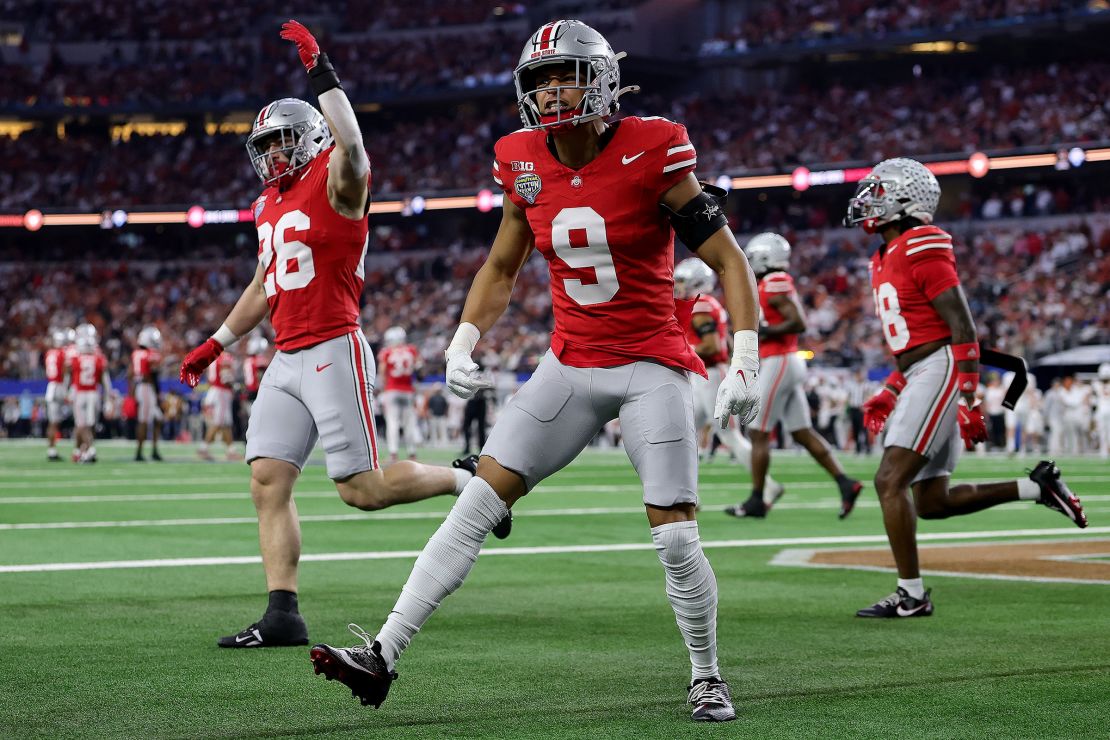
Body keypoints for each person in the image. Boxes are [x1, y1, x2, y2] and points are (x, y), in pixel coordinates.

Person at [309, 20, 761, 722]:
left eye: (567, 75)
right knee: (476, 504)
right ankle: (383, 654)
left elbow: (729, 260)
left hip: (651, 365)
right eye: (541, 79)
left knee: (674, 534)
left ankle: (706, 674)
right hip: (569, 364)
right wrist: (463, 339)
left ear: (605, 80)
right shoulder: (518, 157)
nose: (552, 92)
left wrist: (745, 355)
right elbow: (501, 264)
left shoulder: (656, 146)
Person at [178, 20, 510, 649]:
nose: (273, 155)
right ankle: (283, 613)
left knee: (361, 489)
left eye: (282, 143)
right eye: (265, 146)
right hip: (285, 354)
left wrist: (320, 69)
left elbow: (353, 144)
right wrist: (216, 342)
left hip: (333, 346)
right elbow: (263, 284)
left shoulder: (338, 179)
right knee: (267, 480)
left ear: (309, 140)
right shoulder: (266, 204)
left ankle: (469, 480)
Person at [845, 157, 1087, 618]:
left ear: (904, 200)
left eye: (878, 191)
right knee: (932, 502)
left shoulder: (920, 243)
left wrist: (971, 395)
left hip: (940, 371)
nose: (867, 199)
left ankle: (911, 595)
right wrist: (892, 388)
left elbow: (961, 325)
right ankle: (1039, 488)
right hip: (923, 370)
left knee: (888, 479)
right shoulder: (883, 256)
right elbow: (921, 337)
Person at [726, 233, 862, 519]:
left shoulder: (775, 281)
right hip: (784, 362)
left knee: (758, 430)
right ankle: (845, 483)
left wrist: (760, 330)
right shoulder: (770, 282)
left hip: (781, 361)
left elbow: (798, 322)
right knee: (801, 431)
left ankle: (757, 499)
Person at [673, 257, 783, 501]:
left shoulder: (701, 305)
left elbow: (712, 346)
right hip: (706, 377)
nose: (677, 286)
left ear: (696, 282)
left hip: (711, 376)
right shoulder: (707, 304)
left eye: (681, 281)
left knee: (729, 436)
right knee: (683, 433)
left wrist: (679, 350)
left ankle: (768, 486)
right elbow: (726, 345)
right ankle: (687, 495)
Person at [377, 325, 423, 462]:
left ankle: (393, 453)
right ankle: (412, 453)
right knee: (409, 423)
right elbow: (418, 366)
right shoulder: (411, 350)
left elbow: (382, 370)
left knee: (392, 422)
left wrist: (384, 387)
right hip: (407, 390)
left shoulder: (386, 352)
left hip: (392, 389)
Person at [69, 323, 110, 463]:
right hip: (93, 393)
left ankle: (88, 450)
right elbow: (104, 378)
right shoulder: (98, 357)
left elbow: (71, 376)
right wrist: (108, 396)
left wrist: (69, 391)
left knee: (81, 425)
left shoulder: (75, 357)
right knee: (89, 424)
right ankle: (83, 451)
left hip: (80, 393)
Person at [130, 325, 164, 462]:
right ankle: (139, 452)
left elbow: (130, 373)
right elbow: (152, 376)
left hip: (141, 388)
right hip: (146, 388)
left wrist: (131, 392)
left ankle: (154, 450)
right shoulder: (151, 355)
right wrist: (157, 394)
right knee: (144, 421)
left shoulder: (136, 353)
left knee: (158, 419)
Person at [43, 327, 75, 461]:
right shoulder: (63, 353)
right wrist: (67, 389)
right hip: (61, 386)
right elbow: (66, 371)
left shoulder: (49, 353)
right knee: (77, 417)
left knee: (53, 422)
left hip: (51, 386)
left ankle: (51, 450)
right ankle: (80, 448)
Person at [199, 351, 238, 461]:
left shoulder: (214, 357)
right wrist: (234, 386)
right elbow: (225, 378)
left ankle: (231, 451)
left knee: (226, 423)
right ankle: (203, 449)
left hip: (215, 390)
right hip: (221, 391)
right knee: (218, 422)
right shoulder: (224, 357)